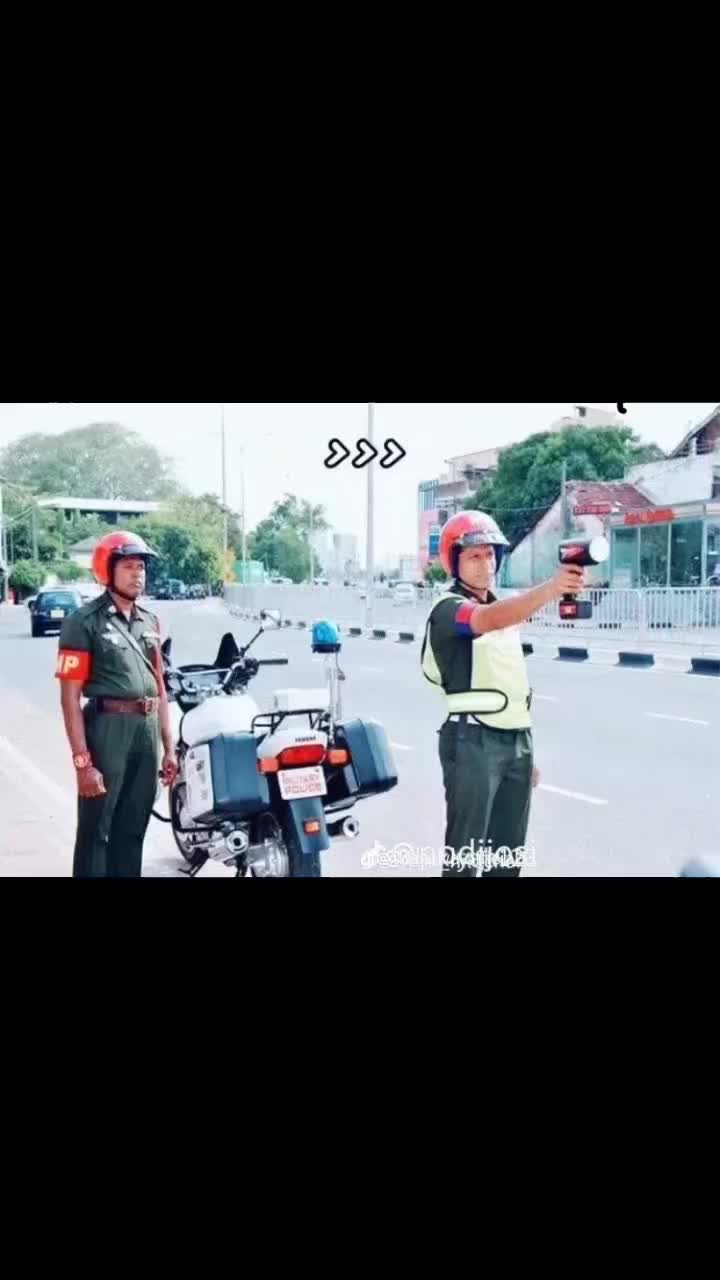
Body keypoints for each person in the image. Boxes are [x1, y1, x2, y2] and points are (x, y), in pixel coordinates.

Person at [422, 511, 585, 879]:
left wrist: (523, 754)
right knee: (465, 860)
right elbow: (485, 619)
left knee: (507, 858)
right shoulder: (448, 610)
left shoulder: (503, 611)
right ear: (454, 562)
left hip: (515, 743)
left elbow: (509, 682)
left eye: (490, 555)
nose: (485, 565)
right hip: (472, 741)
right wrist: (550, 588)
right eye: (474, 557)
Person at [55, 531, 178, 878]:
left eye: (141, 567)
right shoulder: (83, 622)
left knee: (133, 828)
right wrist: (83, 764)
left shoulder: (150, 622)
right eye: (128, 566)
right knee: (97, 830)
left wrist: (169, 748)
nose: (138, 574)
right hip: (108, 730)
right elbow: (69, 697)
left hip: (146, 734)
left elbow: (160, 688)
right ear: (107, 570)